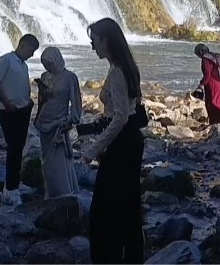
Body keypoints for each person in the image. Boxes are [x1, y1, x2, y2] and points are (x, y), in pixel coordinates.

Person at [79, 18, 146, 264]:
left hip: (122, 144)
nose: (92, 46)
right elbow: (127, 108)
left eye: (94, 41)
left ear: (106, 40)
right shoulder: (125, 66)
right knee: (127, 206)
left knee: (106, 209)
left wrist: (94, 149)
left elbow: (120, 118)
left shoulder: (117, 72)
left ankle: (109, 257)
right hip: (131, 143)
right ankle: (130, 256)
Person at [0, 34, 39, 206]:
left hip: (22, 109)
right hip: (9, 110)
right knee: (14, 148)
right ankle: (10, 189)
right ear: (23, 45)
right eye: (31, 50)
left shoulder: (23, 65)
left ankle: (14, 183)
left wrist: (28, 102)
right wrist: (7, 102)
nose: (32, 55)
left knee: (19, 147)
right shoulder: (6, 60)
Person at [34, 47, 83, 199]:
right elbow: (41, 101)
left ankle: (63, 192)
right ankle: (50, 192)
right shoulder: (44, 76)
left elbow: (76, 102)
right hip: (44, 123)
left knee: (60, 161)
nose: (47, 68)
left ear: (57, 60)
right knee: (47, 162)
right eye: (45, 65)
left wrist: (72, 119)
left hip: (59, 124)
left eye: (49, 64)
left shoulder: (70, 77)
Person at [193, 44, 220, 125]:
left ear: (200, 52)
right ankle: (217, 122)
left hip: (211, 84)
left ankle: (216, 122)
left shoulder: (205, 59)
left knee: (212, 104)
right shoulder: (212, 57)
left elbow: (207, 75)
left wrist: (200, 85)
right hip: (218, 83)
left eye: (197, 53)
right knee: (217, 102)